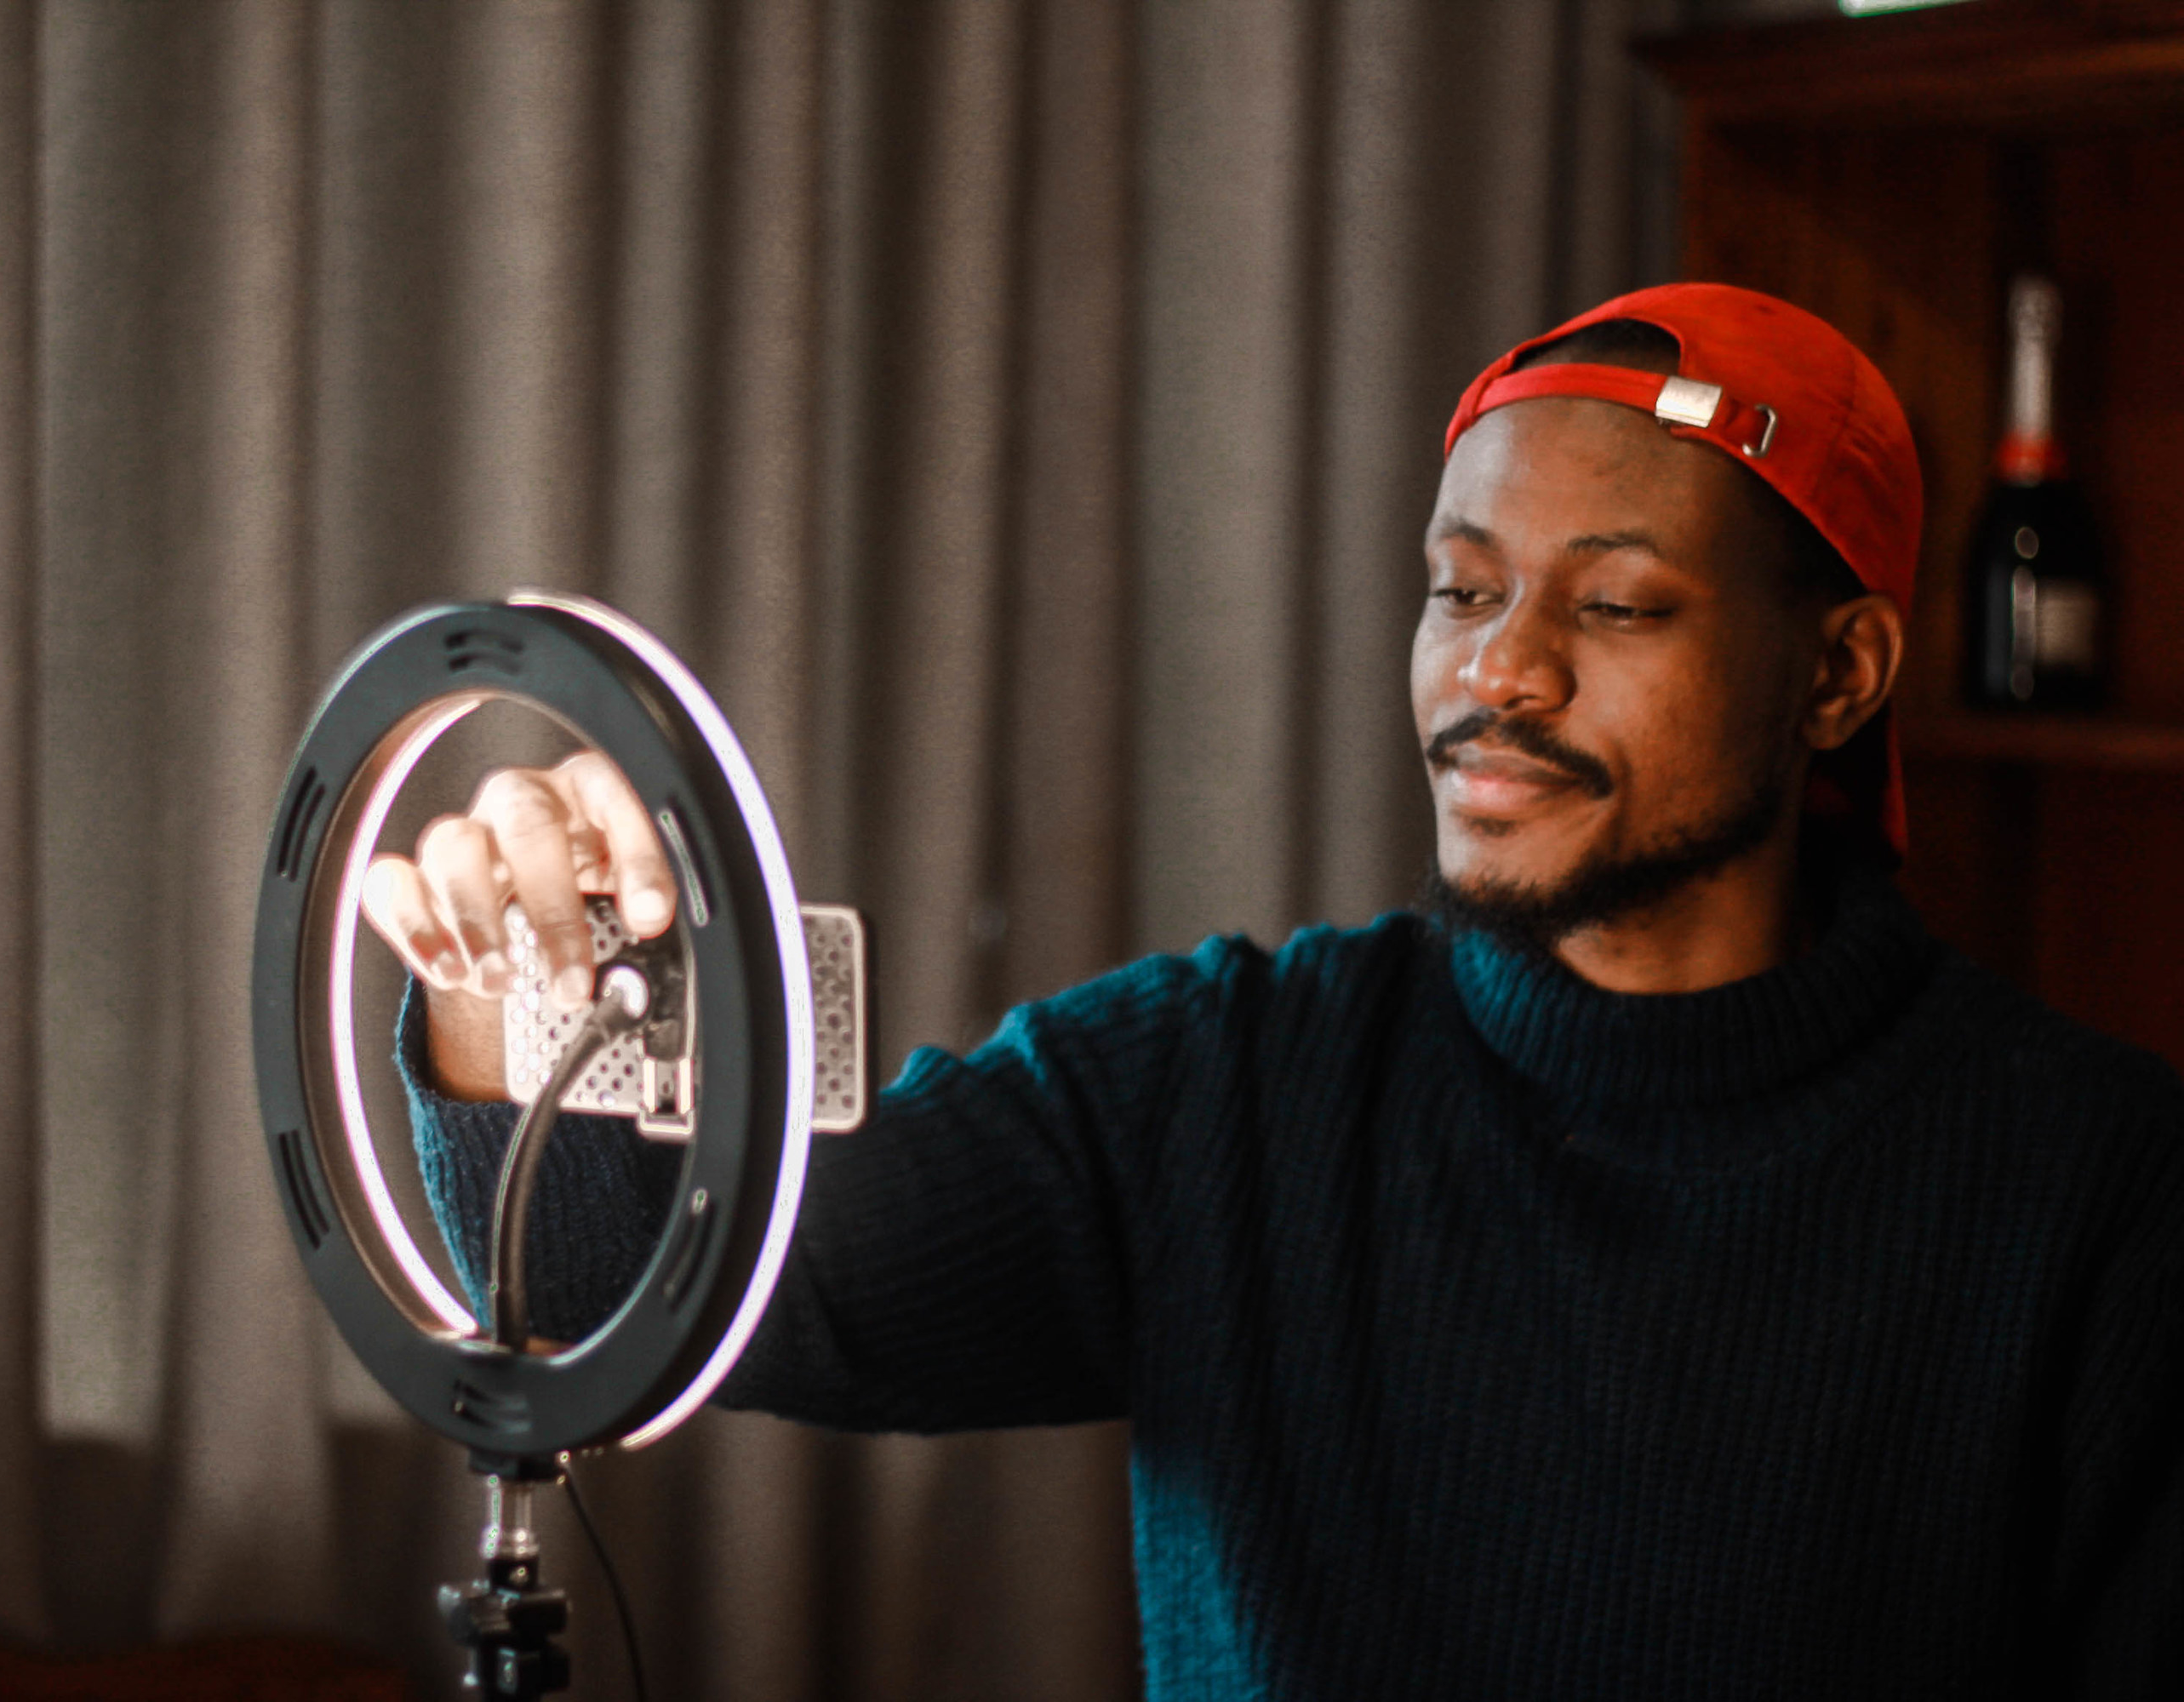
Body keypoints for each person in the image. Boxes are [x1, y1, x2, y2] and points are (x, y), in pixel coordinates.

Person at [362, 284, 2184, 1696]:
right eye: (1459, 592)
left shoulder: (2100, 1194)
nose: (1505, 675)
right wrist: (516, 994)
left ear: (1843, 672)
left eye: (1616, 608)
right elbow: (649, 1288)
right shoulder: (1223, 1081)